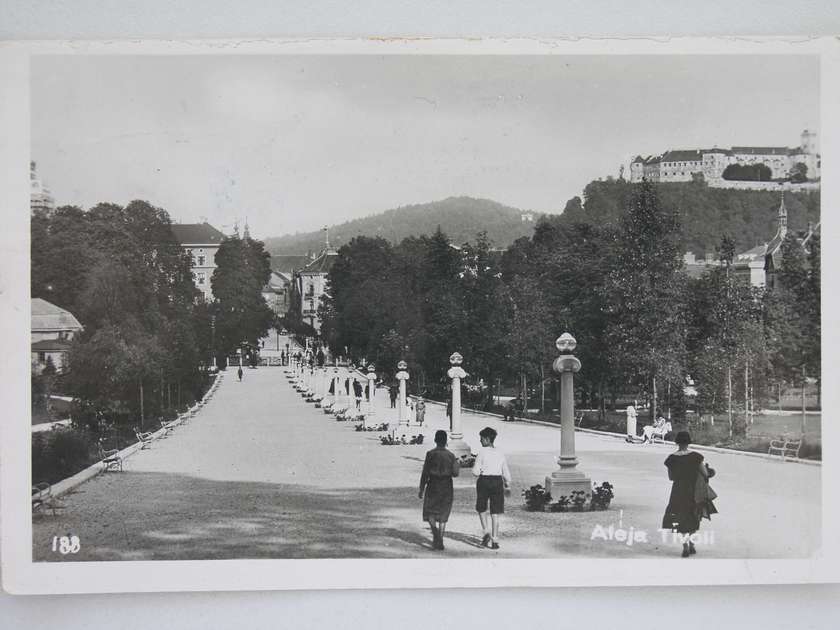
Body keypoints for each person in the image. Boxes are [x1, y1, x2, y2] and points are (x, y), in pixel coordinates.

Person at [662, 431, 717, 557]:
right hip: (693, 491)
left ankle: (685, 545)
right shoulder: (696, 457)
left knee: (680, 518)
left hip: (678, 491)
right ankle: (691, 543)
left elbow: (671, 477)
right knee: (693, 516)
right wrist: (711, 472)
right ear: (688, 442)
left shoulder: (671, 459)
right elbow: (705, 474)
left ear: (677, 443)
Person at [418, 430, 460, 550]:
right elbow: (455, 473)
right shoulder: (451, 455)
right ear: (446, 441)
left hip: (433, 484)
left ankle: (434, 532)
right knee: (443, 512)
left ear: (435, 440)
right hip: (446, 485)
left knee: (430, 510)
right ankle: (440, 538)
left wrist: (421, 488)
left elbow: (425, 472)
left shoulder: (430, 454)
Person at [472, 426, 512, 550]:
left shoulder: (482, 452)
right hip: (497, 481)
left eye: (482, 439)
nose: (480, 441)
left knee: (481, 507)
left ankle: (486, 532)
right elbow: (505, 470)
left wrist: (474, 467)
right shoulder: (500, 452)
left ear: (488, 439)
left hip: (484, 481)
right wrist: (507, 484)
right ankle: (495, 540)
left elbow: (476, 472)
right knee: (495, 512)